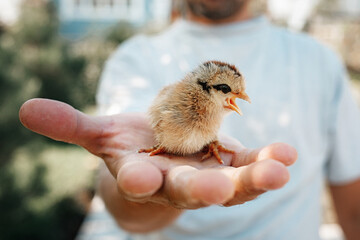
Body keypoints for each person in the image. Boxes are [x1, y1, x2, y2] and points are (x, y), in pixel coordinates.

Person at [19, 0, 360, 239]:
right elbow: (125, 181)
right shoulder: (136, 58)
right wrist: (151, 181)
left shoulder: (319, 61)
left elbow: (354, 206)